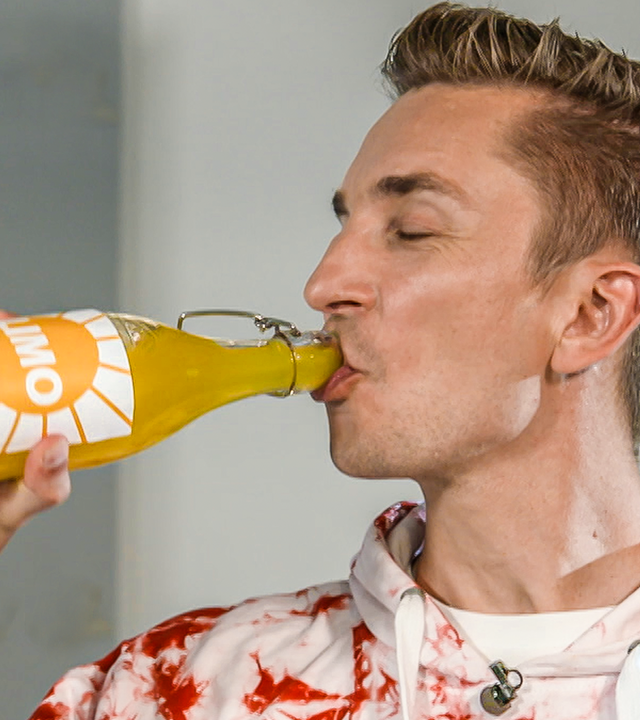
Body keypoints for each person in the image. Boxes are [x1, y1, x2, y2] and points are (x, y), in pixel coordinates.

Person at [7, 2, 640, 717]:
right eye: (345, 225)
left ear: (591, 314)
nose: (322, 284)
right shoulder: (174, 688)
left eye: (411, 230)